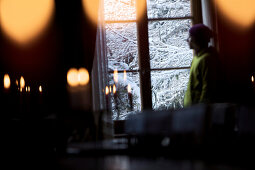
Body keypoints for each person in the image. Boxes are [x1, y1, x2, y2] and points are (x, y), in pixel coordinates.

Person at [184, 24, 221, 107]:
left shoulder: (206, 60)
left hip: (199, 111)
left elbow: (207, 89)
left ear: (197, 39)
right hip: (194, 109)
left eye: (190, 36)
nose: (187, 40)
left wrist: (201, 109)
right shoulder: (197, 58)